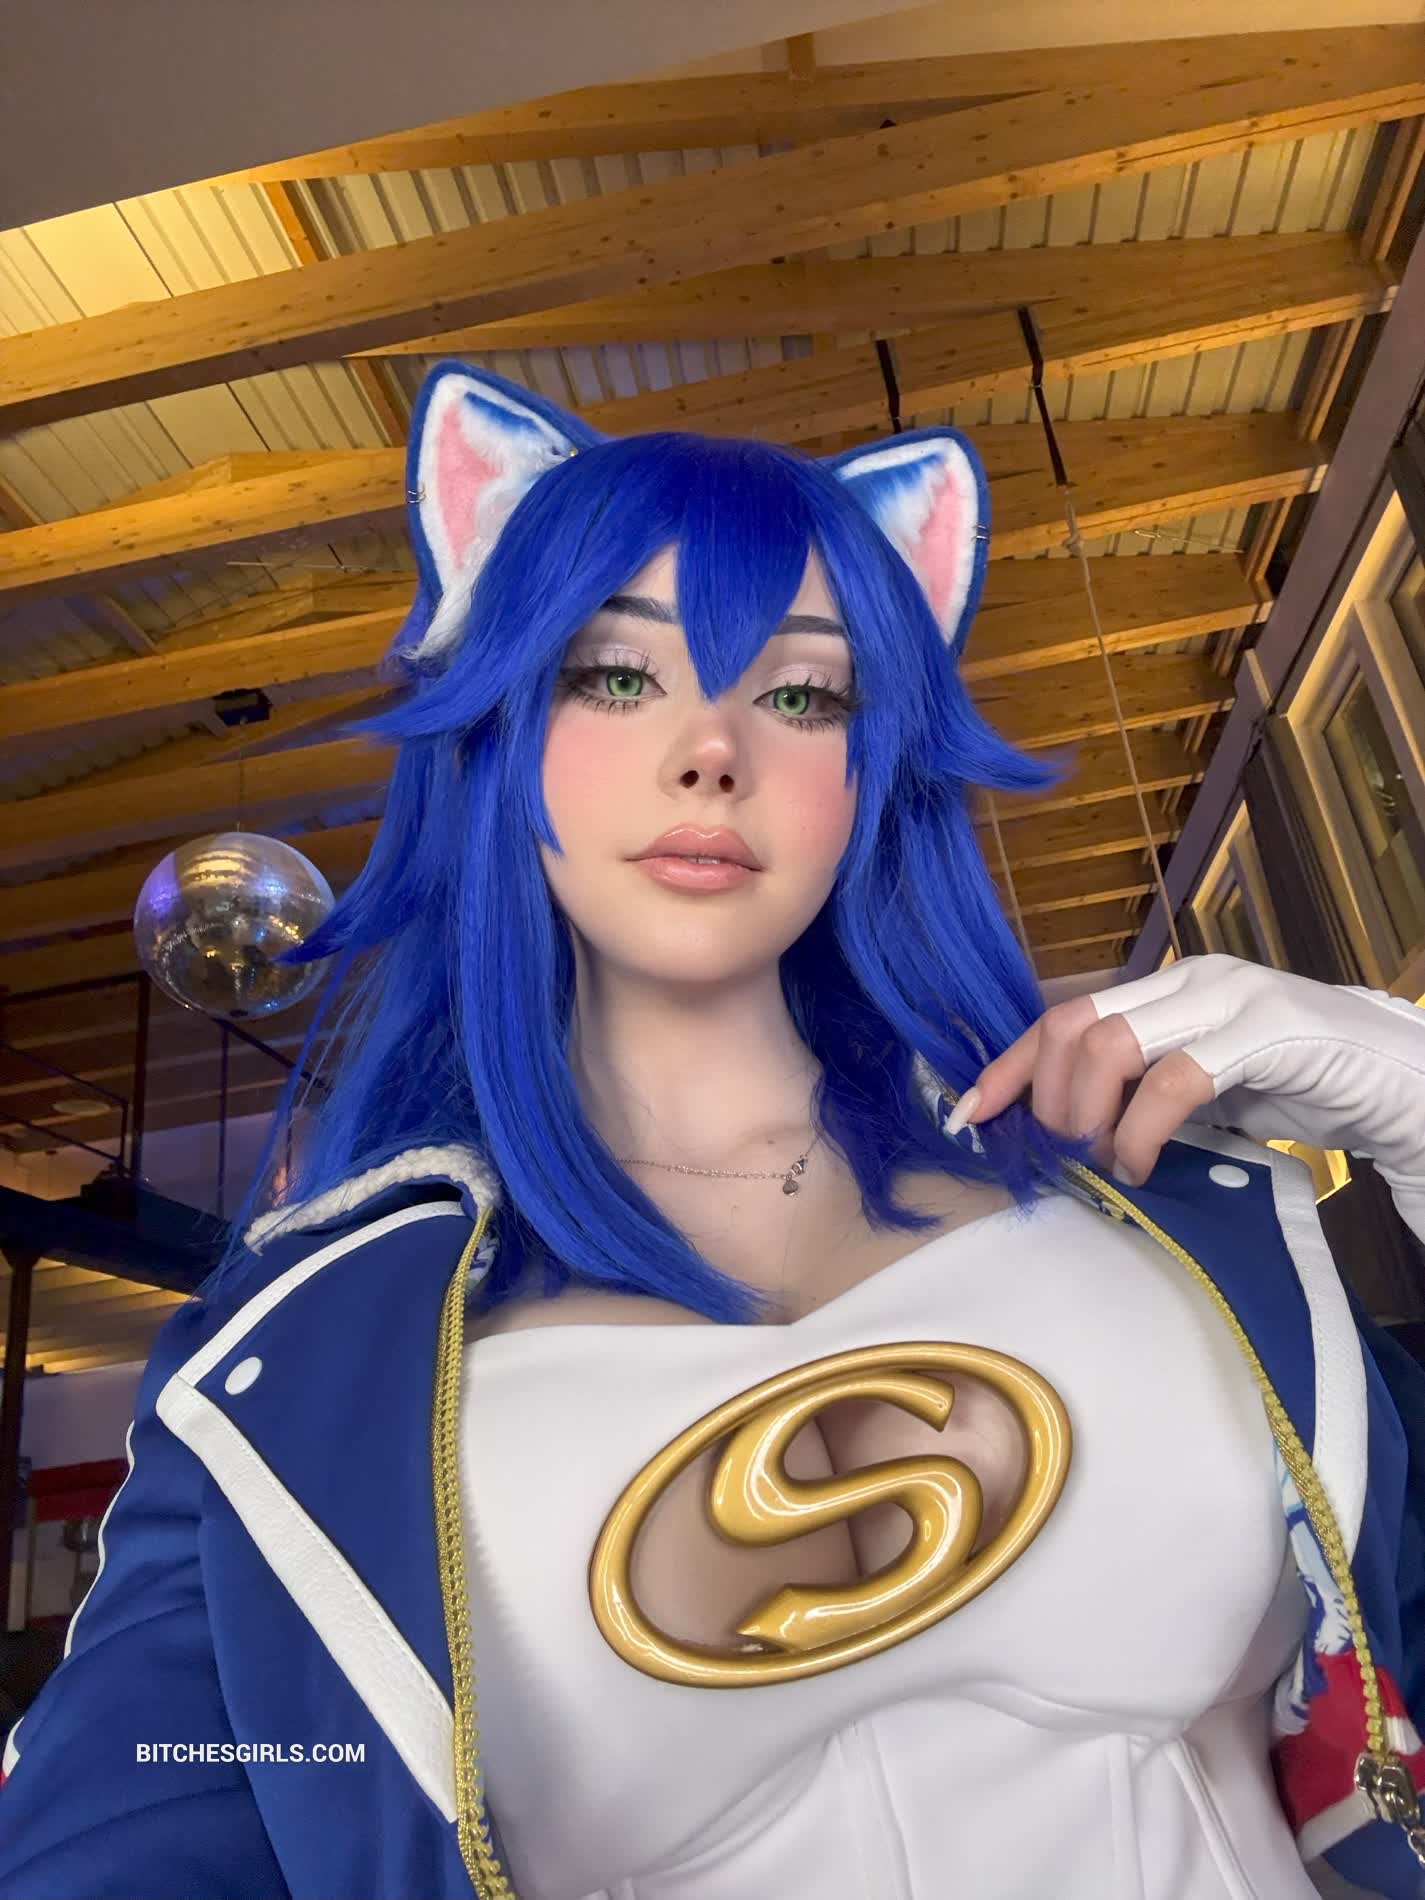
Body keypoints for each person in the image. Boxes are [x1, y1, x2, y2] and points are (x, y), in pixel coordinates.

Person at [2, 363, 1425, 1900]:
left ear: (873, 767)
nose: (711, 750)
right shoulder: (297, 1373)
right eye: (613, 675)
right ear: (497, 724)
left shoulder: (1158, 1214)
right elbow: (129, 1841)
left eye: (801, 693)